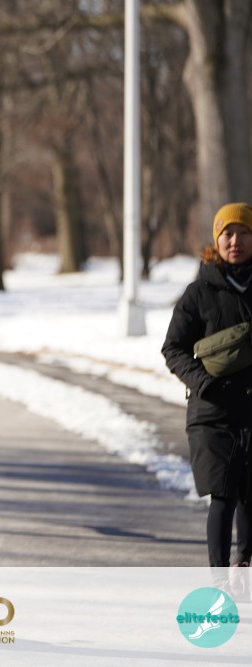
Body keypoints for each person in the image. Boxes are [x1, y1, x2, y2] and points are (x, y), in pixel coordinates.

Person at [162, 202, 252, 588]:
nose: (235, 241)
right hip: (213, 411)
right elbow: (173, 348)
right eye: (227, 233)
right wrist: (204, 383)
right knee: (223, 493)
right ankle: (219, 581)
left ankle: (243, 564)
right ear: (217, 241)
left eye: (244, 232)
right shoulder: (199, 293)